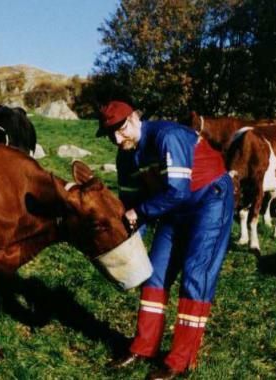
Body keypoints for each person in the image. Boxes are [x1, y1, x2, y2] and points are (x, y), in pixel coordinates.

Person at [97, 101, 233, 379]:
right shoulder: (125, 156)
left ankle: (180, 360)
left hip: (209, 200)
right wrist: (128, 244)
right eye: (110, 133)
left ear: (135, 117)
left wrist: (139, 212)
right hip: (173, 208)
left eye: (121, 128)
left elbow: (176, 192)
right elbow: (132, 204)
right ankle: (143, 347)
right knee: (154, 274)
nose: (116, 138)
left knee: (195, 276)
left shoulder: (166, 136)